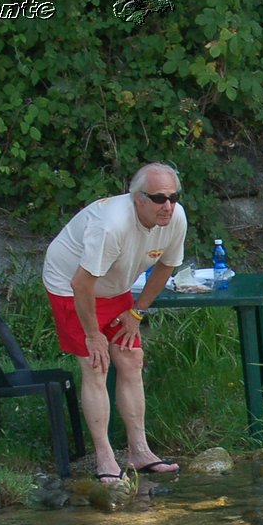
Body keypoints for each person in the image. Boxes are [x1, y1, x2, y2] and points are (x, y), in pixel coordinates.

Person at [42, 162, 186, 482]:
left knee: (131, 358)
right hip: (70, 285)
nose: (169, 205)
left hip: (114, 286)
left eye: (174, 197)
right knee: (96, 363)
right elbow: (82, 283)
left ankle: (139, 450)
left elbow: (166, 266)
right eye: (160, 198)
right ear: (138, 199)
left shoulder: (175, 218)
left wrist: (137, 312)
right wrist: (93, 336)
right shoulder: (111, 225)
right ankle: (104, 457)